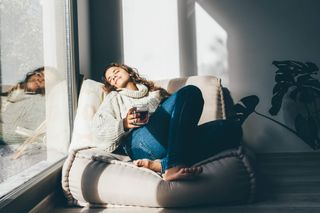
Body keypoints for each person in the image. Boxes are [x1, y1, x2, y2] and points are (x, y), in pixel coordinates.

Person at [92, 63, 259, 181]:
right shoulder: (114, 97)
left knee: (231, 129)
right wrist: (124, 124)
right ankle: (174, 165)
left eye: (115, 71)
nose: (113, 77)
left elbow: (180, 118)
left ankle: (161, 165)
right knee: (190, 91)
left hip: (171, 140)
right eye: (110, 79)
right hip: (140, 143)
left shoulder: (156, 93)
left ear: (126, 70)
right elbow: (99, 132)